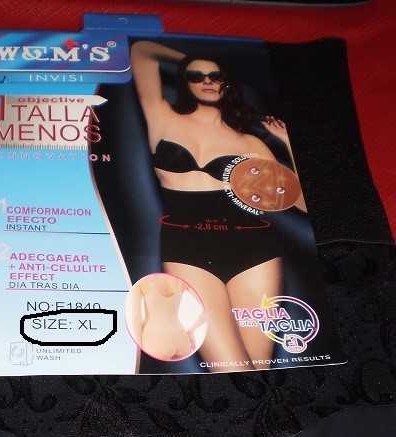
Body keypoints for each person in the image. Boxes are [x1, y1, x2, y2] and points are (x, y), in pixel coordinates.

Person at [130, 40, 303, 370]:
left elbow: (300, 204)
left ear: (228, 83)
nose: (207, 81)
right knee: (230, 370)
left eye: (216, 76)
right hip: (186, 250)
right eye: (196, 76)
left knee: (260, 372)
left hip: (254, 252)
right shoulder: (161, 116)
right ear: (185, 81)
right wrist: (191, 59)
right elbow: (142, 51)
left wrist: (289, 145)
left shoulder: (250, 143)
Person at [126, 273, 207, 361]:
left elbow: (136, 318)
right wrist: (191, 330)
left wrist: (139, 347)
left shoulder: (141, 281)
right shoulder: (182, 281)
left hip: (156, 340)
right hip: (182, 339)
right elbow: (207, 309)